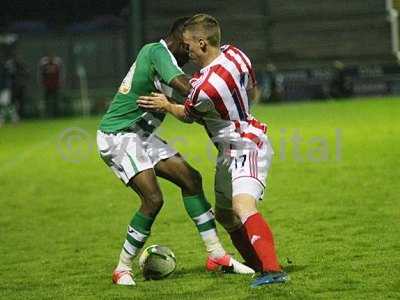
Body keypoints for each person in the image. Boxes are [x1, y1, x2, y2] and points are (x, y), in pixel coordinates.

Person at [96, 17, 253, 286]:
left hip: (142, 135)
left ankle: (216, 254)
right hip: (119, 135)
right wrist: (219, 87)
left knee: (191, 179)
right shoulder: (156, 52)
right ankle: (122, 268)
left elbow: (192, 110)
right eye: (189, 44)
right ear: (182, 40)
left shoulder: (170, 62)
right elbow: (187, 88)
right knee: (153, 199)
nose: (192, 52)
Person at [138, 14, 288, 287]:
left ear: (203, 43)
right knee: (225, 215)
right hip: (229, 150)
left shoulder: (204, 88)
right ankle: (257, 265)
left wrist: (165, 103)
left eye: (189, 45)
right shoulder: (236, 54)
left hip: (246, 147)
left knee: (243, 206)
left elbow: (187, 115)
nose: (187, 51)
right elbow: (251, 87)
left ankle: (273, 271)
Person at [38, 53, 64, 117]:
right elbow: (41, 75)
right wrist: (42, 83)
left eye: (52, 58)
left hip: (55, 86)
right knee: (47, 102)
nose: (51, 59)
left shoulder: (56, 65)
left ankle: (56, 114)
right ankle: (47, 114)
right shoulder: (45, 66)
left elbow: (60, 74)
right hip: (47, 86)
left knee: (56, 101)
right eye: (49, 58)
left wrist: (60, 83)